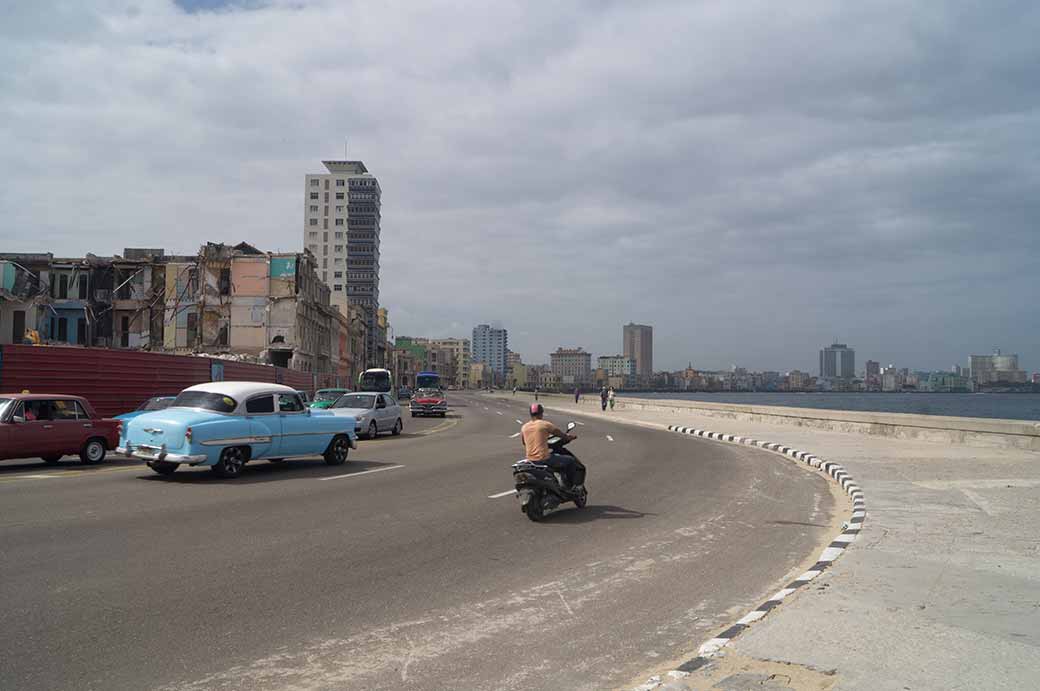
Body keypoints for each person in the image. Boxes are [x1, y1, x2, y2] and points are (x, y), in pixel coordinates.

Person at [521, 403, 585, 491]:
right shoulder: (545, 424)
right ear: (541, 413)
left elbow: (524, 443)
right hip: (544, 458)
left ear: (530, 414)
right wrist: (570, 437)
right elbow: (561, 435)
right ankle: (574, 486)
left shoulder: (524, 427)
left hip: (530, 460)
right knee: (570, 461)